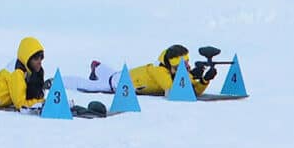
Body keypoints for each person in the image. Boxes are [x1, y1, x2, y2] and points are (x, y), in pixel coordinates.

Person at [63, 44, 216, 96]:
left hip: (122, 75)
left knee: (111, 73)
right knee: (89, 86)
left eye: (187, 64)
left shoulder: (171, 70)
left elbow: (191, 90)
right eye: (182, 67)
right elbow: (176, 92)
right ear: (171, 66)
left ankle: (97, 66)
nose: (187, 68)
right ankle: (58, 81)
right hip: (118, 84)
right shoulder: (160, 72)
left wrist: (203, 80)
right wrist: (197, 78)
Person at [0, 37, 49, 111]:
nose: (39, 61)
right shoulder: (17, 74)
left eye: (41, 57)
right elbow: (21, 104)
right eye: (36, 58)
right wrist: (41, 103)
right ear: (27, 59)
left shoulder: (31, 70)